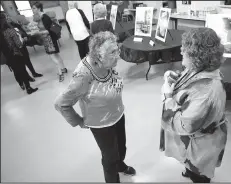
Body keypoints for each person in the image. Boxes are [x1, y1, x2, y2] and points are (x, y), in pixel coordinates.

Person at [54, 31, 136, 183]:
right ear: (98, 55)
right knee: (110, 155)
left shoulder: (108, 63)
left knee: (121, 147)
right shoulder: (83, 76)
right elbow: (61, 103)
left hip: (117, 113)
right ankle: (112, 179)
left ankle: (120, 165)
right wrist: (79, 121)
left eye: (117, 49)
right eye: (113, 52)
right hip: (100, 123)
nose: (118, 55)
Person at [160, 27, 228, 183]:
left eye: (186, 50)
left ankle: (195, 174)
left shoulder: (207, 92)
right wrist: (174, 77)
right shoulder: (200, 67)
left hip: (201, 144)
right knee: (190, 165)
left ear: (198, 56)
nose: (181, 51)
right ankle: (190, 170)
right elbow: (190, 79)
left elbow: (184, 125)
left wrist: (167, 96)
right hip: (194, 140)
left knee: (199, 173)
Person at [0, 15, 38, 94]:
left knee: (16, 71)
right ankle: (28, 87)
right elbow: (19, 44)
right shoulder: (10, 31)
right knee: (22, 70)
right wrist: (22, 40)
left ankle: (21, 84)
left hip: (7, 56)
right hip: (16, 53)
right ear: (4, 20)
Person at [32, 2, 67, 82]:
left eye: (34, 8)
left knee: (53, 57)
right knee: (56, 55)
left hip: (49, 40)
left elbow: (48, 31)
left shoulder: (44, 17)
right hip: (47, 39)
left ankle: (60, 73)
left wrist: (38, 33)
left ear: (39, 8)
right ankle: (63, 69)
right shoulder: (41, 17)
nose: (32, 10)